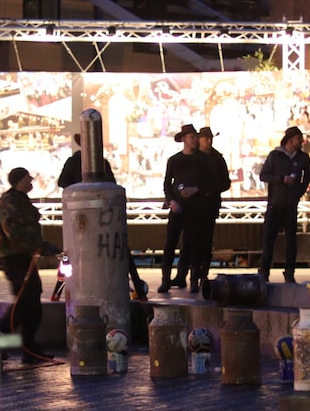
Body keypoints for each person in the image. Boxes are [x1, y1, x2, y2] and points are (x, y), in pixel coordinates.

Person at [57, 133, 147, 299]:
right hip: (82, 218)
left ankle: (139, 291)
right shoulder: (73, 162)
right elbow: (63, 182)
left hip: (106, 218)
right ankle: (65, 289)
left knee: (119, 251)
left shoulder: (103, 163)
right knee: (74, 255)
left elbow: (111, 184)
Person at [0, 167, 59, 363]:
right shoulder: (10, 203)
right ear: (19, 180)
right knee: (24, 300)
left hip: (24, 257)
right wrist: (43, 247)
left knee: (32, 300)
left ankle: (30, 348)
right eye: (27, 178)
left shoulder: (20, 200)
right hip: (14, 257)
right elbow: (15, 234)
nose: (31, 180)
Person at [170, 126, 230, 289]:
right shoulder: (192, 158)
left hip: (208, 206)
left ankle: (201, 275)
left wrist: (208, 190)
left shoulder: (216, 158)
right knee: (188, 242)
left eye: (209, 138)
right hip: (191, 207)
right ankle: (182, 274)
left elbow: (224, 182)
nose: (207, 141)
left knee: (204, 242)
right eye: (205, 138)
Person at [158, 124, 214, 293]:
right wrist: (171, 200)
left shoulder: (203, 160)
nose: (195, 140)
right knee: (170, 243)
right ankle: (165, 279)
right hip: (178, 208)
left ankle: (194, 279)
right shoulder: (175, 160)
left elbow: (212, 182)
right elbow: (168, 184)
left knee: (194, 243)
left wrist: (196, 189)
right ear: (184, 139)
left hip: (196, 208)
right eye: (191, 137)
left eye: (196, 137)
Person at [257, 125, 310, 283]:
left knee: (291, 240)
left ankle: (289, 272)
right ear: (289, 140)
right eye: (298, 139)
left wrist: (299, 191)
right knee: (268, 239)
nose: (301, 141)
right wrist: (282, 179)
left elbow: (307, 176)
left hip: (291, 204)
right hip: (275, 204)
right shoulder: (275, 156)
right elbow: (264, 175)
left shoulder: (302, 158)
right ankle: (264, 271)